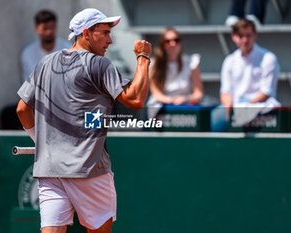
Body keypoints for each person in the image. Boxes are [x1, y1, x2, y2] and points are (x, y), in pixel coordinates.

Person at [16, 8, 151, 233]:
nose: (110, 40)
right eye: (105, 33)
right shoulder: (100, 65)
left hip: (50, 169)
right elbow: (135, 99)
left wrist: (39, 141)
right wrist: (143, 58)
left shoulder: (44, 63)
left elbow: (22, 109)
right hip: (89, 169)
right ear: (86, 33)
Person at [211, 18, 280, 131]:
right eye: (240, 36)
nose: (245, 40)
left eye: (248, 35)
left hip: (260, 108)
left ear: (255, 35)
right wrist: (230, 109)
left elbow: (266, 93)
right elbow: (225, 92)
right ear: (234, 37)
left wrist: (246, 108)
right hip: (236, 107)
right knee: (217, 117)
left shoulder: (268, 58)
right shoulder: (229, 61)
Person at [147, 27, 203, 118]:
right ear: (162, 44)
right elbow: (156, 94)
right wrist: (173, 101)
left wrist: (185, 99)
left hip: (185, 105)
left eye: (176, 40)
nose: (172, 44)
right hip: (161, 106)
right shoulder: (153, 64)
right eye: (167, 41)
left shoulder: (192, 62)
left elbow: (198, 93)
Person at [21, 9, 72, 82]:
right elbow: (28, 85)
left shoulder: (69, 50)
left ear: (56, 27)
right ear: (36, 29)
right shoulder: (27, 54)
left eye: (51, 27)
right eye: (45, 28)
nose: (49, 32)